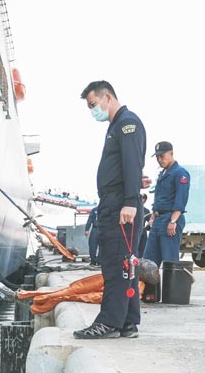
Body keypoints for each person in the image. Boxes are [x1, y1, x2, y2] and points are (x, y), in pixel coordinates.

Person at [73, 81, 146, 339]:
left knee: (116, 265)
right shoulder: (116, 126)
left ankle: (109, 322)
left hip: (119, 206)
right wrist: (135, 183)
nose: (93, 110)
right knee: (127, 266)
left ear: (108, 97)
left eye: (93, 104)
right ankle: (127, 322)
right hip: (115, 201)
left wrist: (129, 201)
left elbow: (130, 160)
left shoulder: (127, 123)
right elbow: (128, 166)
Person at [144, 142, 190, 267]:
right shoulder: (162, 174)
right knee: (148, 262)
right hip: (158, 219)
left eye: (162, 156)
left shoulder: (180, 173)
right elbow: (159, 197)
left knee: (170, 261)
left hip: (170, 218)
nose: (159, 159)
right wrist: (153, 216)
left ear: (171, 153)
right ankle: (152, 287)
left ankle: (172, 287)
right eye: (157, 157)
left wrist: (173, 221)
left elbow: (181, 199)